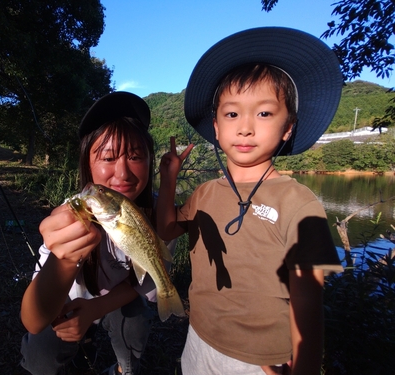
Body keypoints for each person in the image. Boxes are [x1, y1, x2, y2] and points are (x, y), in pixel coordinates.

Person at [157, 27, 344, 375]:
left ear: (288, 127)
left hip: (261, 362)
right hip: (198, 340)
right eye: (232, 114)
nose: (245, 127)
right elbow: (166, 230)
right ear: (216, 127)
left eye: (263, 114)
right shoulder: (205, 193)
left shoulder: (300, 206)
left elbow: (308, 301)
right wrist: (168, 180)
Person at [21, 91, 174, 375]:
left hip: (120, 298)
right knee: (40, 355)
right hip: (67, 301)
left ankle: (122, 369)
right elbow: (33, 320)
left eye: (136, 156)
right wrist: (63, 261)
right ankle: (84, 341)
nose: (123, 173)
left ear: (150, 160)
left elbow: (145, 280)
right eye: (108, 157)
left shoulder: (161, 216)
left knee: (136, 319)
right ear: (87, 164)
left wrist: (96, 309)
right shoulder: (68, 218)